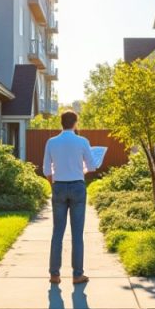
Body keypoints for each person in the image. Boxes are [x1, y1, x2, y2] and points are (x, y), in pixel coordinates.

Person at [42, 110, 96, 285]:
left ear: (61, 123)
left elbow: (46, 170)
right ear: (75, 123)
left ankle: (54, 275)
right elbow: (92, 166)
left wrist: (54, 184)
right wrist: (82, 170)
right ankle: (77, 275)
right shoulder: (82, 142)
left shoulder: (51, 142)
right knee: (77, 233)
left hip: (58, 186)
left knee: (57, 232)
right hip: (78, 187)